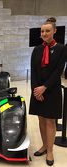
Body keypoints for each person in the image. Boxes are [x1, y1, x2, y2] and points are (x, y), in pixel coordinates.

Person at [29, 17, 66, 166]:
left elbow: (58, 72)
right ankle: (44, 145)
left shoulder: (62, 49)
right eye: (42, 31)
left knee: (50, 121)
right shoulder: (37, 50)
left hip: (52, 90)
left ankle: (50, 150)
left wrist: (44, 88)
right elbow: (33, 71)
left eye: (47, 31)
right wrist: (36, 90)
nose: (44, 33)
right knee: (41, 119)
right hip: (38, 91)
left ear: (54, 31)